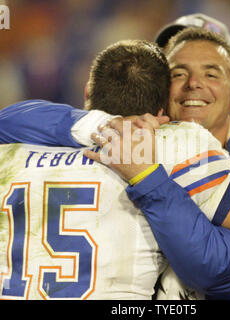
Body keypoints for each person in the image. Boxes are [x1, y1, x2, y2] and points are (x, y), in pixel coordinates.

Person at [1, 28, 230, 299]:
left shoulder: (17, 150)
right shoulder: (176, 144)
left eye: (211, 73)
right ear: (162, 97)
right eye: (178, 73)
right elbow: (214, 265)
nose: (193, 84)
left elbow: (219, 267)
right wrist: (114, 131)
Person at [0, 39, 174, 300]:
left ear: (87, 93)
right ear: (161, 112)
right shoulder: (170, 151)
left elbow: (7, 120)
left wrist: (97, 124)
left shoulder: (9, 153)